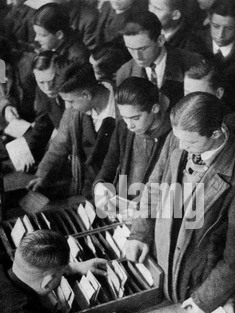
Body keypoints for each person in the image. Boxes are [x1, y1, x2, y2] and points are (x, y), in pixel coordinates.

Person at [125, 93, 235, 313]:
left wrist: (204, 300)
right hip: (160, 268)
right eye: (178, 139)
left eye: (190, 142)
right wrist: (139, 233)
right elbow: (153, 188)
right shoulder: (179, 140)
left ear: (216, 134)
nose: (181, 147)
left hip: (196, 288)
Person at [28, 61, 116, 198]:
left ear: (86, 95)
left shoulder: (124, 110)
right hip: (86, 189)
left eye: (70, 101)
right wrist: (42, 176)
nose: (67, 107)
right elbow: (59, 144)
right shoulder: (75, 110)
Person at [93, 77, 171, 207]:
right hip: (122, 207)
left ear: (155, 108)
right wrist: (100, 185)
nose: (130, 125)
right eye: (124, 117)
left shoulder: (172, 136)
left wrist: (142, 213)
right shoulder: (123, 128)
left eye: (135, 118)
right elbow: (110, 163)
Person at [116, 11, 204, 109]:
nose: (137, 56)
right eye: (131, 48)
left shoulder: (192, 63)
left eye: (143, 48)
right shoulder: (124, 74)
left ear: (160, 40)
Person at [194, 0, 235, 70]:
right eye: (216, 26)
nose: (220, 35)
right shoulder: (195, 41)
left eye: (228, 28)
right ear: (209, 22)